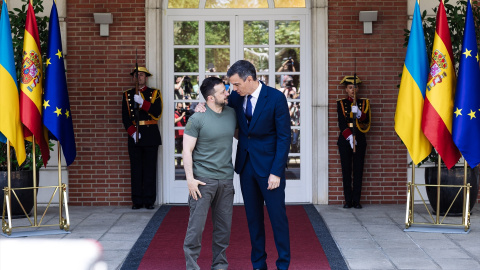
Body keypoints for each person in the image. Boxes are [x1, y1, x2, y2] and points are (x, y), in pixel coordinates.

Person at [228, 60, 291, 270]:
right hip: (246, 167)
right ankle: (258, 265)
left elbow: (284, 137)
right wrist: (202, 106)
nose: (233, 89)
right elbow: (218, 105)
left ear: (249, 79)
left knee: (277, 219)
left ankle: (282, 265)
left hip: (269, 170)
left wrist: (276, 171)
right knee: (253, 220)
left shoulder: (275, 98)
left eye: (236, 84)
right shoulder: (237, 98)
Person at [183, 77, 237, 270]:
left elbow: (243, 134)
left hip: (226, 180)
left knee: (223, 231)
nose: (227, 93)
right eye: (222, 91)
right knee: (195, 230)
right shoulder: (197, 118)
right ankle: (192, 267)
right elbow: (186, 151)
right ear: (210, 98)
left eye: (226, 89)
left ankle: (220, 266)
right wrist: (190, 180)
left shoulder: (232, 113)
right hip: (202, 181)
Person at [122, 66, 163, 210]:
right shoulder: (127, 95)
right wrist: (133, 132)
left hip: (150, 134)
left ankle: (149, 200)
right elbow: (125, 118)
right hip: (135, 136)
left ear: (146, 77)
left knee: (150, 169)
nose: (139, 77)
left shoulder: (154, 93)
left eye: (141, 75)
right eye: (136, 75)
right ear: (133, 78)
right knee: (136, 169)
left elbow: (157, 112)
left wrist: (143, 103)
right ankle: (137, 200)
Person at [336, 75, 371, 209]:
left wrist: (359, 114)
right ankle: (348, 200)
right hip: (346, 140)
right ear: (346, 89)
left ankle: (356, 200)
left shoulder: (364, 103)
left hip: (360, 139)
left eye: (355, 87)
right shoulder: (340, 103)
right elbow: (341, 122)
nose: (353, 90)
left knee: (358, 170)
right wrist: (350, 137)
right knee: (346, 170)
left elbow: (367, 121)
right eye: (350, 88)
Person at [174, 102, 188, 167]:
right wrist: (182, 116)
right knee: (178, 151)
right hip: (177, 136)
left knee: (185, 151)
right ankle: (178, 164)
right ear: (176, 107)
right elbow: (175, 121)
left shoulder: (183, 114)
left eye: (181, 107)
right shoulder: (175, 114)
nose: (180, 109)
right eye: (179, 107)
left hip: (184, 136)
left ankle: (185, 165)